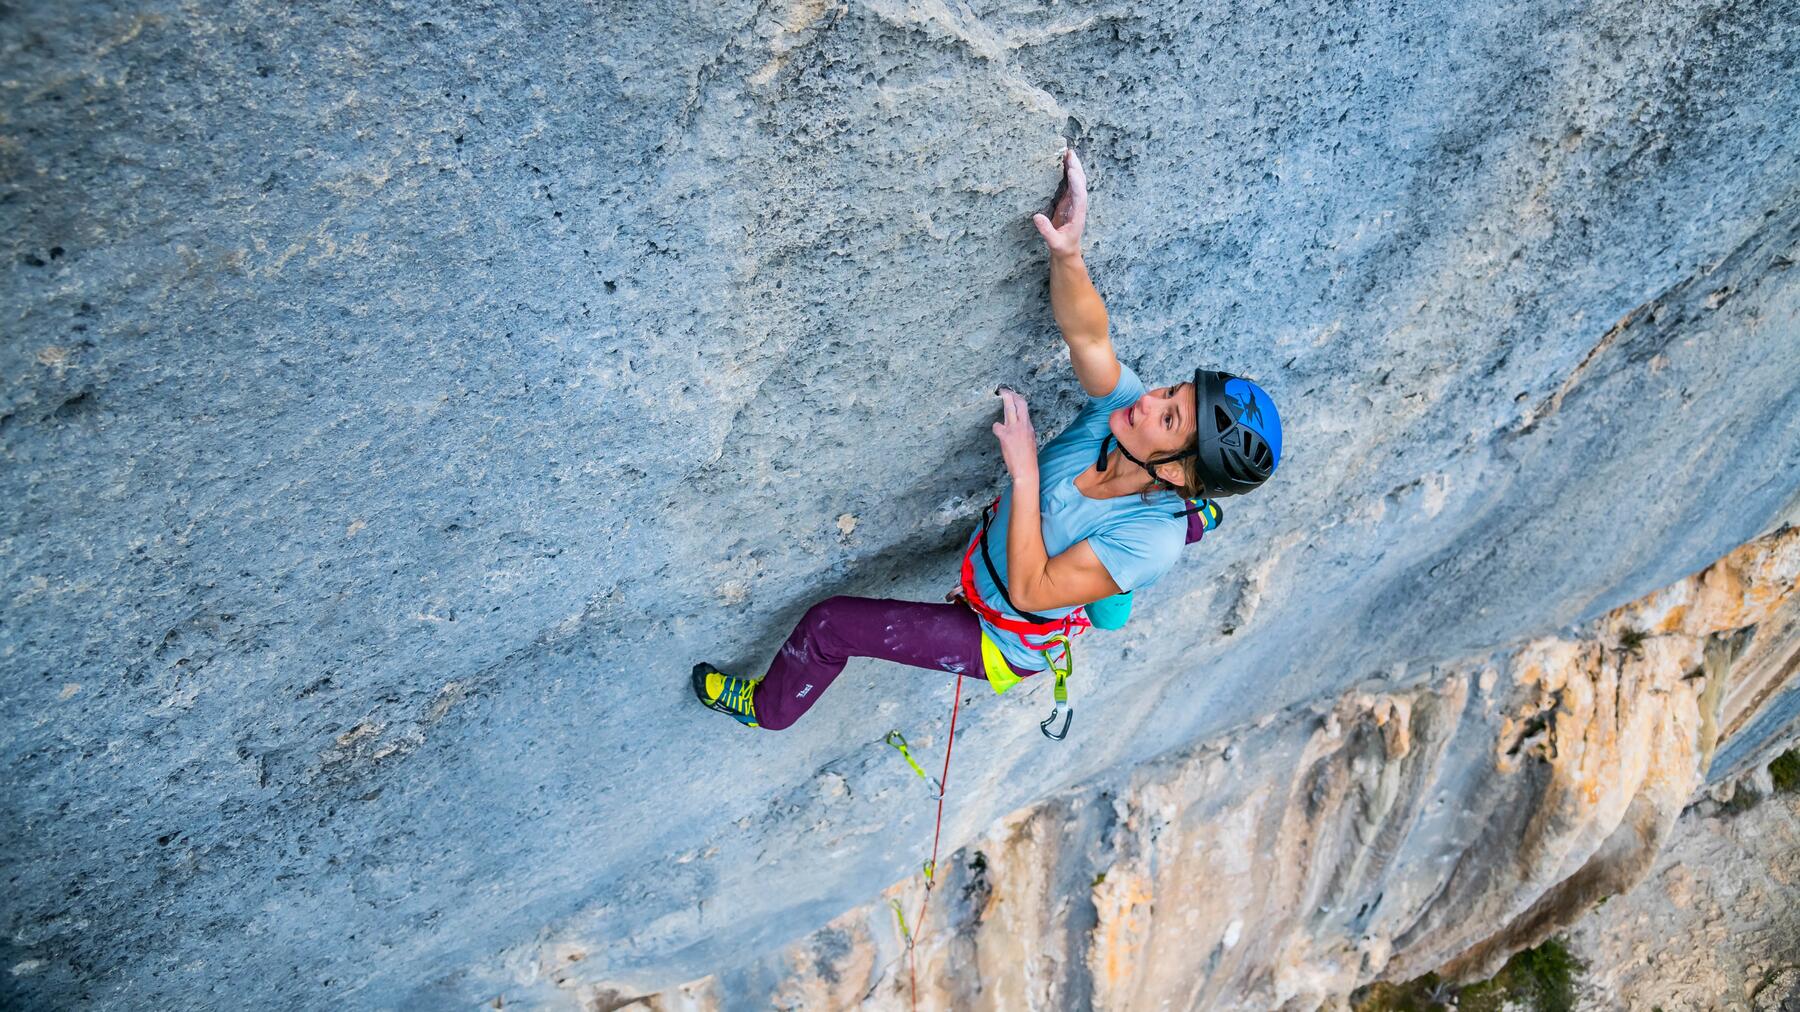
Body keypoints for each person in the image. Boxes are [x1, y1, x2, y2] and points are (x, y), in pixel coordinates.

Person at [693, 149, 1282, 731]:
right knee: (1121, 563)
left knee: (829, 625)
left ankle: (766, 711)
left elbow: (1030, 588)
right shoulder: (1124, 415)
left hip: (1001, 638)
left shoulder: (1147, 542)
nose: (1149, 402)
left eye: (1170, 419)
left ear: (1178, 468)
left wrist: (1026, 474)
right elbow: (1089, 339)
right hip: (1110, 524)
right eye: (1171, 392)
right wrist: (1068, 254)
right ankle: (1196, 518)